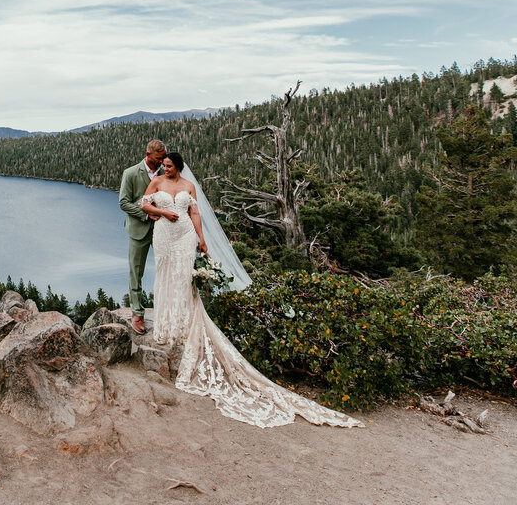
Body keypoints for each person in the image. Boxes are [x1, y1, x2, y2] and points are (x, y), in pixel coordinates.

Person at [140, 151, 361, 428]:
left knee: (184, 277)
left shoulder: (188, 186)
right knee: (165, 275)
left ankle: (183, 324)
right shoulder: (157, 182)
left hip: (184, 234)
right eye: (164, 165)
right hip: (163, 233)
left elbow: (195, 213)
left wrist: (202, 239)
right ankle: (165, 324)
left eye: (170, 165)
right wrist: (164, 213)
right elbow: (143, 206)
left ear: (179, 167)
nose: (166, 168)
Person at [119, 139, 167, 334]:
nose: (162, 162)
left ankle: (167, 311)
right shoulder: (130, 173)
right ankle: (137, 313)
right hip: (139, 229)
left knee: (167, 268)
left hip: (163, 230)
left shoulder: (167, 173)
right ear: (148, 155)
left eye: (164, 158)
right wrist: (146, 214)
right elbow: (123, 203)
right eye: (158, 158)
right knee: (136, 272)